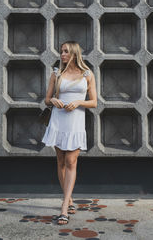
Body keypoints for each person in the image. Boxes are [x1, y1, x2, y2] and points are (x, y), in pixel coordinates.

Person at [41, 41, 97, 225]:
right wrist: (54, 101)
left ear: (74, 53)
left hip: (75, 122)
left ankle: (64, 206)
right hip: (59, 120)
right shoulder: (57, 73)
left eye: (65, 51)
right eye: (61, 51)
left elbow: (94, 102)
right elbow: (47, 99)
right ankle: (69, 198)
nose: (62, 54)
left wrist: (79, 102)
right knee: (60, 161)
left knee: (71, 161)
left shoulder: (87, 74)